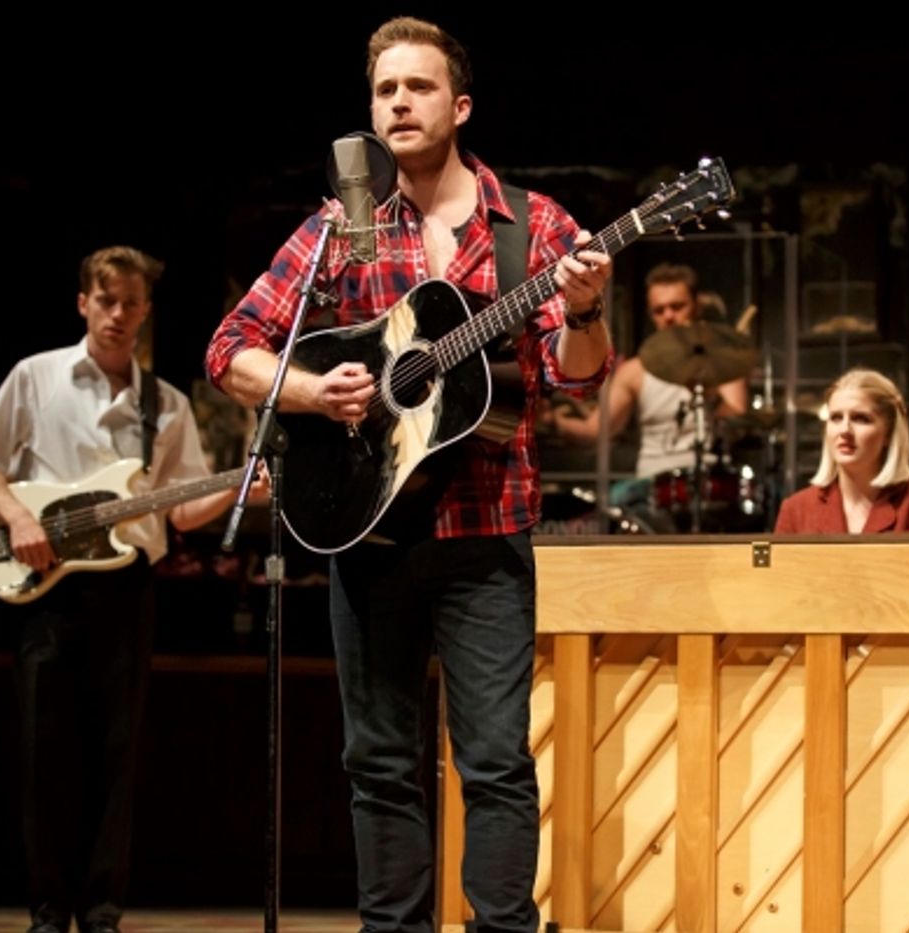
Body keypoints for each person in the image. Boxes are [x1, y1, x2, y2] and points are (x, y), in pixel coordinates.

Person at [205, 17, 612, 933]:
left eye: (417, 88)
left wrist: (585, 310)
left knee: (496, 761)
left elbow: (576, 372)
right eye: (385, 90)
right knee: (380, 760)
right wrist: (313, 391)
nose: (398, 103)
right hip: (370, 530)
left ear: (459, 106)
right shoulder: (337, 232)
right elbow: (231, 348)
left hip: (486, 535)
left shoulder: (533, 227)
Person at [0, 245, 265, 933]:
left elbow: (179, 511)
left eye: (131, 302)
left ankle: (101, 913)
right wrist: (16, 517)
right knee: (45, 755)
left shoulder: (167, 404)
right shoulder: (35, 378)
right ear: (83, 303)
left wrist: (237, 485)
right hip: (45, 588)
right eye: (107, 300)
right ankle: (45, 912)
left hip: (126, 591)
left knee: (116, 759)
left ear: (147, 310)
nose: (119, 314)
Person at [553, 262, 748, 481]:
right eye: (659, 310)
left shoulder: (722, 360)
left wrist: (707, 389)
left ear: (696, 306)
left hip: (709, 477)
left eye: (677, 306)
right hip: (652, 483)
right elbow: (597, 431)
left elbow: (738, 419)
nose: (668, 316)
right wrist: (552, 421)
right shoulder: (635, 370)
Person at [774, 368, 909, 533]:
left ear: (889, 432)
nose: (845, 430)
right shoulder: (796, 510)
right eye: (836, 418)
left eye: (860, 418)